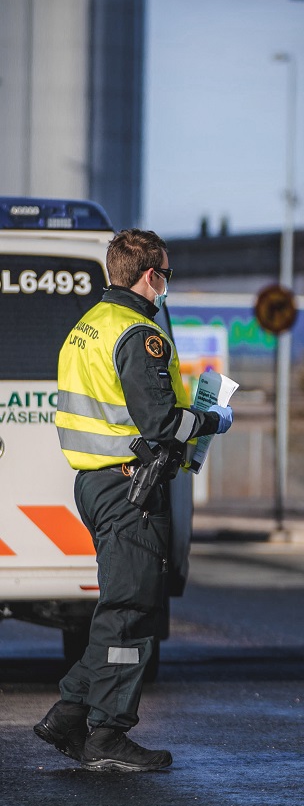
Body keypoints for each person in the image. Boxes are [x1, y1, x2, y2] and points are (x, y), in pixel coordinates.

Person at [33, 229, 233, 772]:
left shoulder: (87, 327)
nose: (167, 284)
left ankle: (71, 715)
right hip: (130, 489)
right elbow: (163, 422)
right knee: (131, 611)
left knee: (121, 605)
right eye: (166, 273)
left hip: (98, 485)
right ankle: (107, 735)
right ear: (151, 275)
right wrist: (213, 418)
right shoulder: (141, 335)